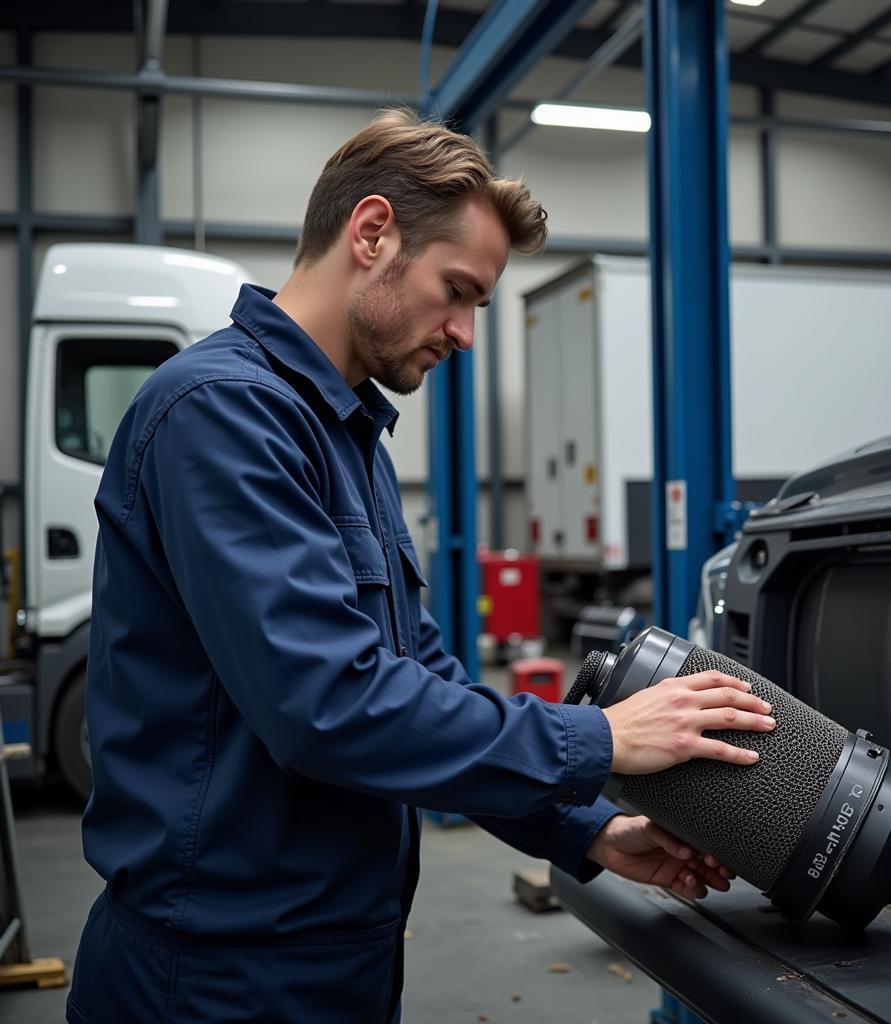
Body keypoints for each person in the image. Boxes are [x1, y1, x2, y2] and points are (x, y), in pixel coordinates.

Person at [67, 108, 776, 1024]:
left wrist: (591, 830)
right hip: (215, 978)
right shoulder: (222, 415)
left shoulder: (347, 434)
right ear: (371, 234)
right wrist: (601, 741)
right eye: (458, 290)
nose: (466, 333)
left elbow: (419, 679)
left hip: (331, 959)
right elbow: (327, 704)